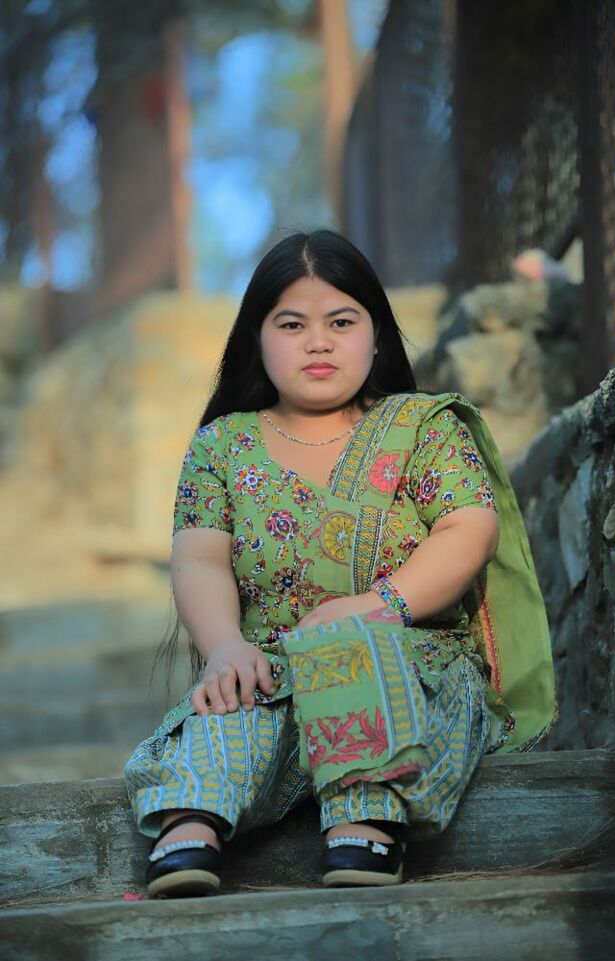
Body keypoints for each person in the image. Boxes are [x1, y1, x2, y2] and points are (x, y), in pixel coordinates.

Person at [123, 228, 557, 899]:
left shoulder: (422, 428)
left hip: (411, 661)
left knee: (366, 669)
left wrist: (376, 608)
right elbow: (201, 559)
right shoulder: (222, 445)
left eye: (341, 321)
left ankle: (365, 818)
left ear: (376, 335)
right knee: (229, 708)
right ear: (256, 339)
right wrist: (226, 647)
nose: (318, 342)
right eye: (292, 324)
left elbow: (469, 527)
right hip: (274, 668)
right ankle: (190, 820)